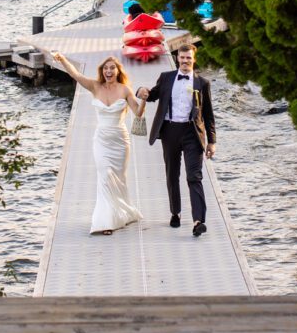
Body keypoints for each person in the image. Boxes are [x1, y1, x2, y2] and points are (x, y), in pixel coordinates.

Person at [51, 52, 146, 235]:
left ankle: (121, 212)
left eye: (112, 68)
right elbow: (75, 75)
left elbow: (138, 113)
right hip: (101, 139)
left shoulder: (125, 90)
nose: (109, 71)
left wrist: (144, 100)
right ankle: (106, 221)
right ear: (102, 71)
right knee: (104, 175)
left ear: (118, 71)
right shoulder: (95, 86)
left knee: (118, 178)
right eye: (106, 68)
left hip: (120, 140)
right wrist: (63, 60)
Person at [137, 43, 215, 237]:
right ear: (177, 58)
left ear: (194, 59)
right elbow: (153, 95)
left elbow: (208, 114)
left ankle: (198, 221)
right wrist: (141, 90)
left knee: (194, 176)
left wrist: (212, 142)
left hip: (193, 133)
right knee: (172, 174)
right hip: (170, 130)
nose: (185, 61)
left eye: (189, 58)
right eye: (182, 58)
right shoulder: (166, 78)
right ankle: (176, 213)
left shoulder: (202, 83)